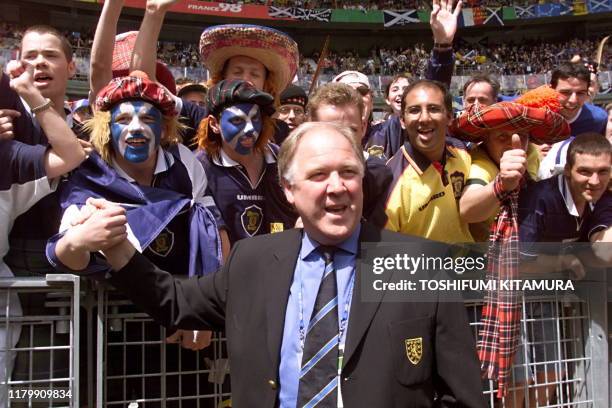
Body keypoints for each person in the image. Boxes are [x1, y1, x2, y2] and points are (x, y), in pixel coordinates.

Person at [67, 121, 486, 407]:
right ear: (288, 189)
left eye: (349, 172)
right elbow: (176, 302)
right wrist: (120, 248)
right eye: (319, 174)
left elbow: (462, 395)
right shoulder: (254, 261)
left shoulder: (419, 264)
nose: (337, 187)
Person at [0, 59, 86, 407]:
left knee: (26, 395)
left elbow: (71, 154)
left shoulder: (6, 158)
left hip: (4, 314)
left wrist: (28, 92)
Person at [511, 132, 611, 406]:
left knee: (551, 374)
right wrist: (563, 262)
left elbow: (605, 249)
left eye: (603, 172)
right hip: (511, 296)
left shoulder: (601, 197)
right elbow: (517, 260)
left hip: (548, 297)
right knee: (516, 380)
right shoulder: (540, 198)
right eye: (585, 171)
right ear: (568, 170)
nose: (595, 180)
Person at [128, 0, 298, 145]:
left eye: (255, 74)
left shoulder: (279, 133)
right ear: (222, 79)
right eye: (237, 72)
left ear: (266, 84)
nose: (246, 80)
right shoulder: (201, 119)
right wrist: (153, 13)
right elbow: (143, 82)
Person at [453, 86, 571, 242]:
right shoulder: (482, 165)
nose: (512, 144)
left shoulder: (531, 153)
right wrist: (502, 183)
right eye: (502, 137)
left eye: (521, 136)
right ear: (486, 139)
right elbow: (468, 210)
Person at [195, 79, 297, 245]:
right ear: (214, 124)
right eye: (237, 120)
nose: (250, 128)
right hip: (230, 268)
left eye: (255, 119)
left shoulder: (281, 158)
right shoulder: (200, 167)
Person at [364, 0, 461, 160]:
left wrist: (442, 47)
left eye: (406, 89)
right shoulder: (373, 130)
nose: (401, 93)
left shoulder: (418, 125)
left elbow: (434, 89)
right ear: (387, 99)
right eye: (395, 89)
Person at [382, 79, 474, 243]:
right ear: (402, 120)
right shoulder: (390, 182)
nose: (424, 118)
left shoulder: (463, 153)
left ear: (449, 117)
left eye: (433, 109)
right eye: (414, 110)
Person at [307, 82, 391, 225]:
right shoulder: (299, 174)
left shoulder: (381, 176)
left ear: (363, 127)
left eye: (350, 131)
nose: (342, 141)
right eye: (331, 131)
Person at [537, 62, 608, 180]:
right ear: (551, 90)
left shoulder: (598, 119)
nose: (573, 100)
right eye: (565, 93)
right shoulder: (534, 115)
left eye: (580, 93)